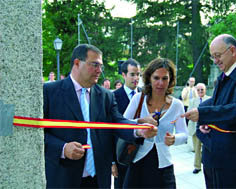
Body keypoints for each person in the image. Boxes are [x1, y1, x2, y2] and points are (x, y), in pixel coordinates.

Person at [43, 44, 157, 188]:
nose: (99, 71)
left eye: (101, 66)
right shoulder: (50, 92)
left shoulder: (105, 96)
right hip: (64, 178)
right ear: (77, 63)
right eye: (95, 65)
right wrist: (62, 148)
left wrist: (138, 130)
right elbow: (38, 134)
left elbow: (117, 122)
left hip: (99, 179)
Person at [182, 34, 236, 188]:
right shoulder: (223, 76)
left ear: (232, 50)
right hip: (215, 156)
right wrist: (202, 116)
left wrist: (204, 114)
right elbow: (216, 102)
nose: (215, 61)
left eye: (218, 55)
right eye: (212, 57)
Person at [123, 58, 188, 188]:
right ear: (149, 78)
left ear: (170, 80)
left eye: (165, 78)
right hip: (138, 162)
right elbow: (123, 125)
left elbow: (184, 135)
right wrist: (141, 121)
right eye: (156, 78)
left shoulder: (177, 105)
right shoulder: (138, 99)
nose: (160, 83)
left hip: (163, 165)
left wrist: (174, 139)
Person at [112, 58, 141, 188]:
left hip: (142, 153)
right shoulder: (113, 97)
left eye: (138, 74)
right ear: (123, 75)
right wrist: (112, 162)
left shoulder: (145, 95)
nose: (136, 78)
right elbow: (111, 131)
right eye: (132, 74)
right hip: (122, 154)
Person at [187, 83, 211, 174]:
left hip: (207, 129)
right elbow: (189, 113)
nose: (200, 91)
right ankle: (197, 166)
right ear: (196, 91)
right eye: (199, 90)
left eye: (202, 89)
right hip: (195, 128)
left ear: (205, 90)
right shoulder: (193, 101)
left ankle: (207, 165)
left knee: (207, 148)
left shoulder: (209, 99)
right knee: (197, 149)